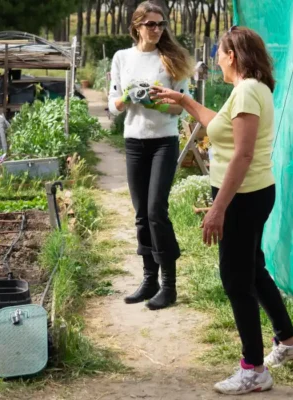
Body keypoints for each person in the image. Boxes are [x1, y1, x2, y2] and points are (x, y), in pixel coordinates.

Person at [151, 26, 293, 395]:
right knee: (254, 268)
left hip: (243, 197)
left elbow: (243, 155)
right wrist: (183, 101)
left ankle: (253, 369)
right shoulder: (249, 89)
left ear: (232, 55)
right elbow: (221, 126)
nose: (215, 57)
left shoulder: (246, 91)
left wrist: (218, 209)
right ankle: (288, 339)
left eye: (219, 51)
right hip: (252, 194)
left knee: (235, 280)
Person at [108, 1, 192, 310]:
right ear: (136, 27)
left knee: (157, 211)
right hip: (134, 142)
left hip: (163, 142)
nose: (156, 29)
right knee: (141, 214)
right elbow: (112, 105)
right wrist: (129, 98)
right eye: (150, 24)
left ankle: (169, 285)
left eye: (161, 24)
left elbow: (182, 106)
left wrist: (156, 102)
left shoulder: (171, 59)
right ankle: (149, 280)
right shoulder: (122, 57)